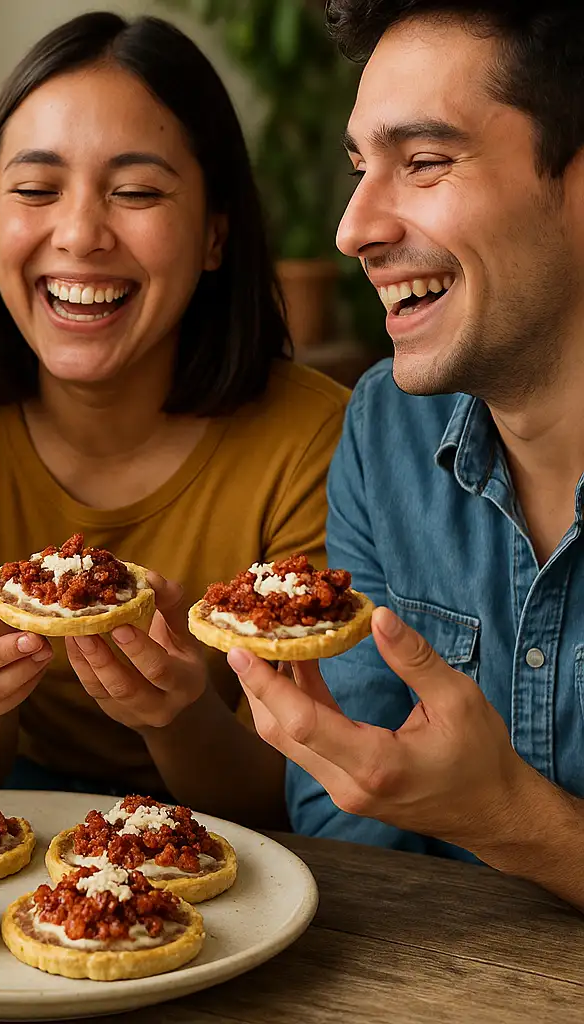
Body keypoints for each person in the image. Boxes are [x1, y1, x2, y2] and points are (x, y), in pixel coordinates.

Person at [0, 12, 349, 825]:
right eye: (35, 190)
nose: (78, 235)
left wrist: (180, 717)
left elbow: (290, 796)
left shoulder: (316, 439)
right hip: (6, 833)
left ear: (216, 234)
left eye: (137, 192)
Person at [229, 0, 584, 909]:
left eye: (424, 162)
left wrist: (516, 820)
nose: (352, 229)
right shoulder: (387, 428)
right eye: (360, 167)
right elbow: (348, 829)